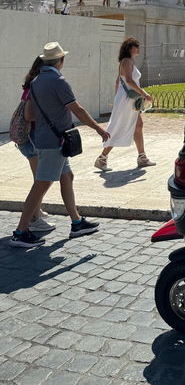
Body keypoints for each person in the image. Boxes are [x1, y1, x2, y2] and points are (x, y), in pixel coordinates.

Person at [10, 42, 110, 248]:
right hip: (54, 142)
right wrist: (99, 129)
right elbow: (78, 109)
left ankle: (76, 222)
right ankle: (20, 232)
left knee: (67, 176)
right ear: (61, 61)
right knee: (41, 184)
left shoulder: (36, 81)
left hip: (47, 139)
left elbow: (29, 114)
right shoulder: (58, 81)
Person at [94, 37, 155, 171]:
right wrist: (144, 94)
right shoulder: (127, 61)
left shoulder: (128, 61)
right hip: (127, 99)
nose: (138, 48)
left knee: (138, 125)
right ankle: (102, 158)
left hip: (127, 99)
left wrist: (117, 99)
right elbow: (128, 80)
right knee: (120, 127)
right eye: (136, 46)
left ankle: (142, 156)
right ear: (129, 48)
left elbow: (118, 81)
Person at [15, 57, 55, 234]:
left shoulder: (31, 85)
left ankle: (36, 211)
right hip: (32, 139)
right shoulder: (35, 88)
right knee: (41, 181)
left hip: (28, 139)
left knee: (40, 180)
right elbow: (29, 115)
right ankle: (34, 218)